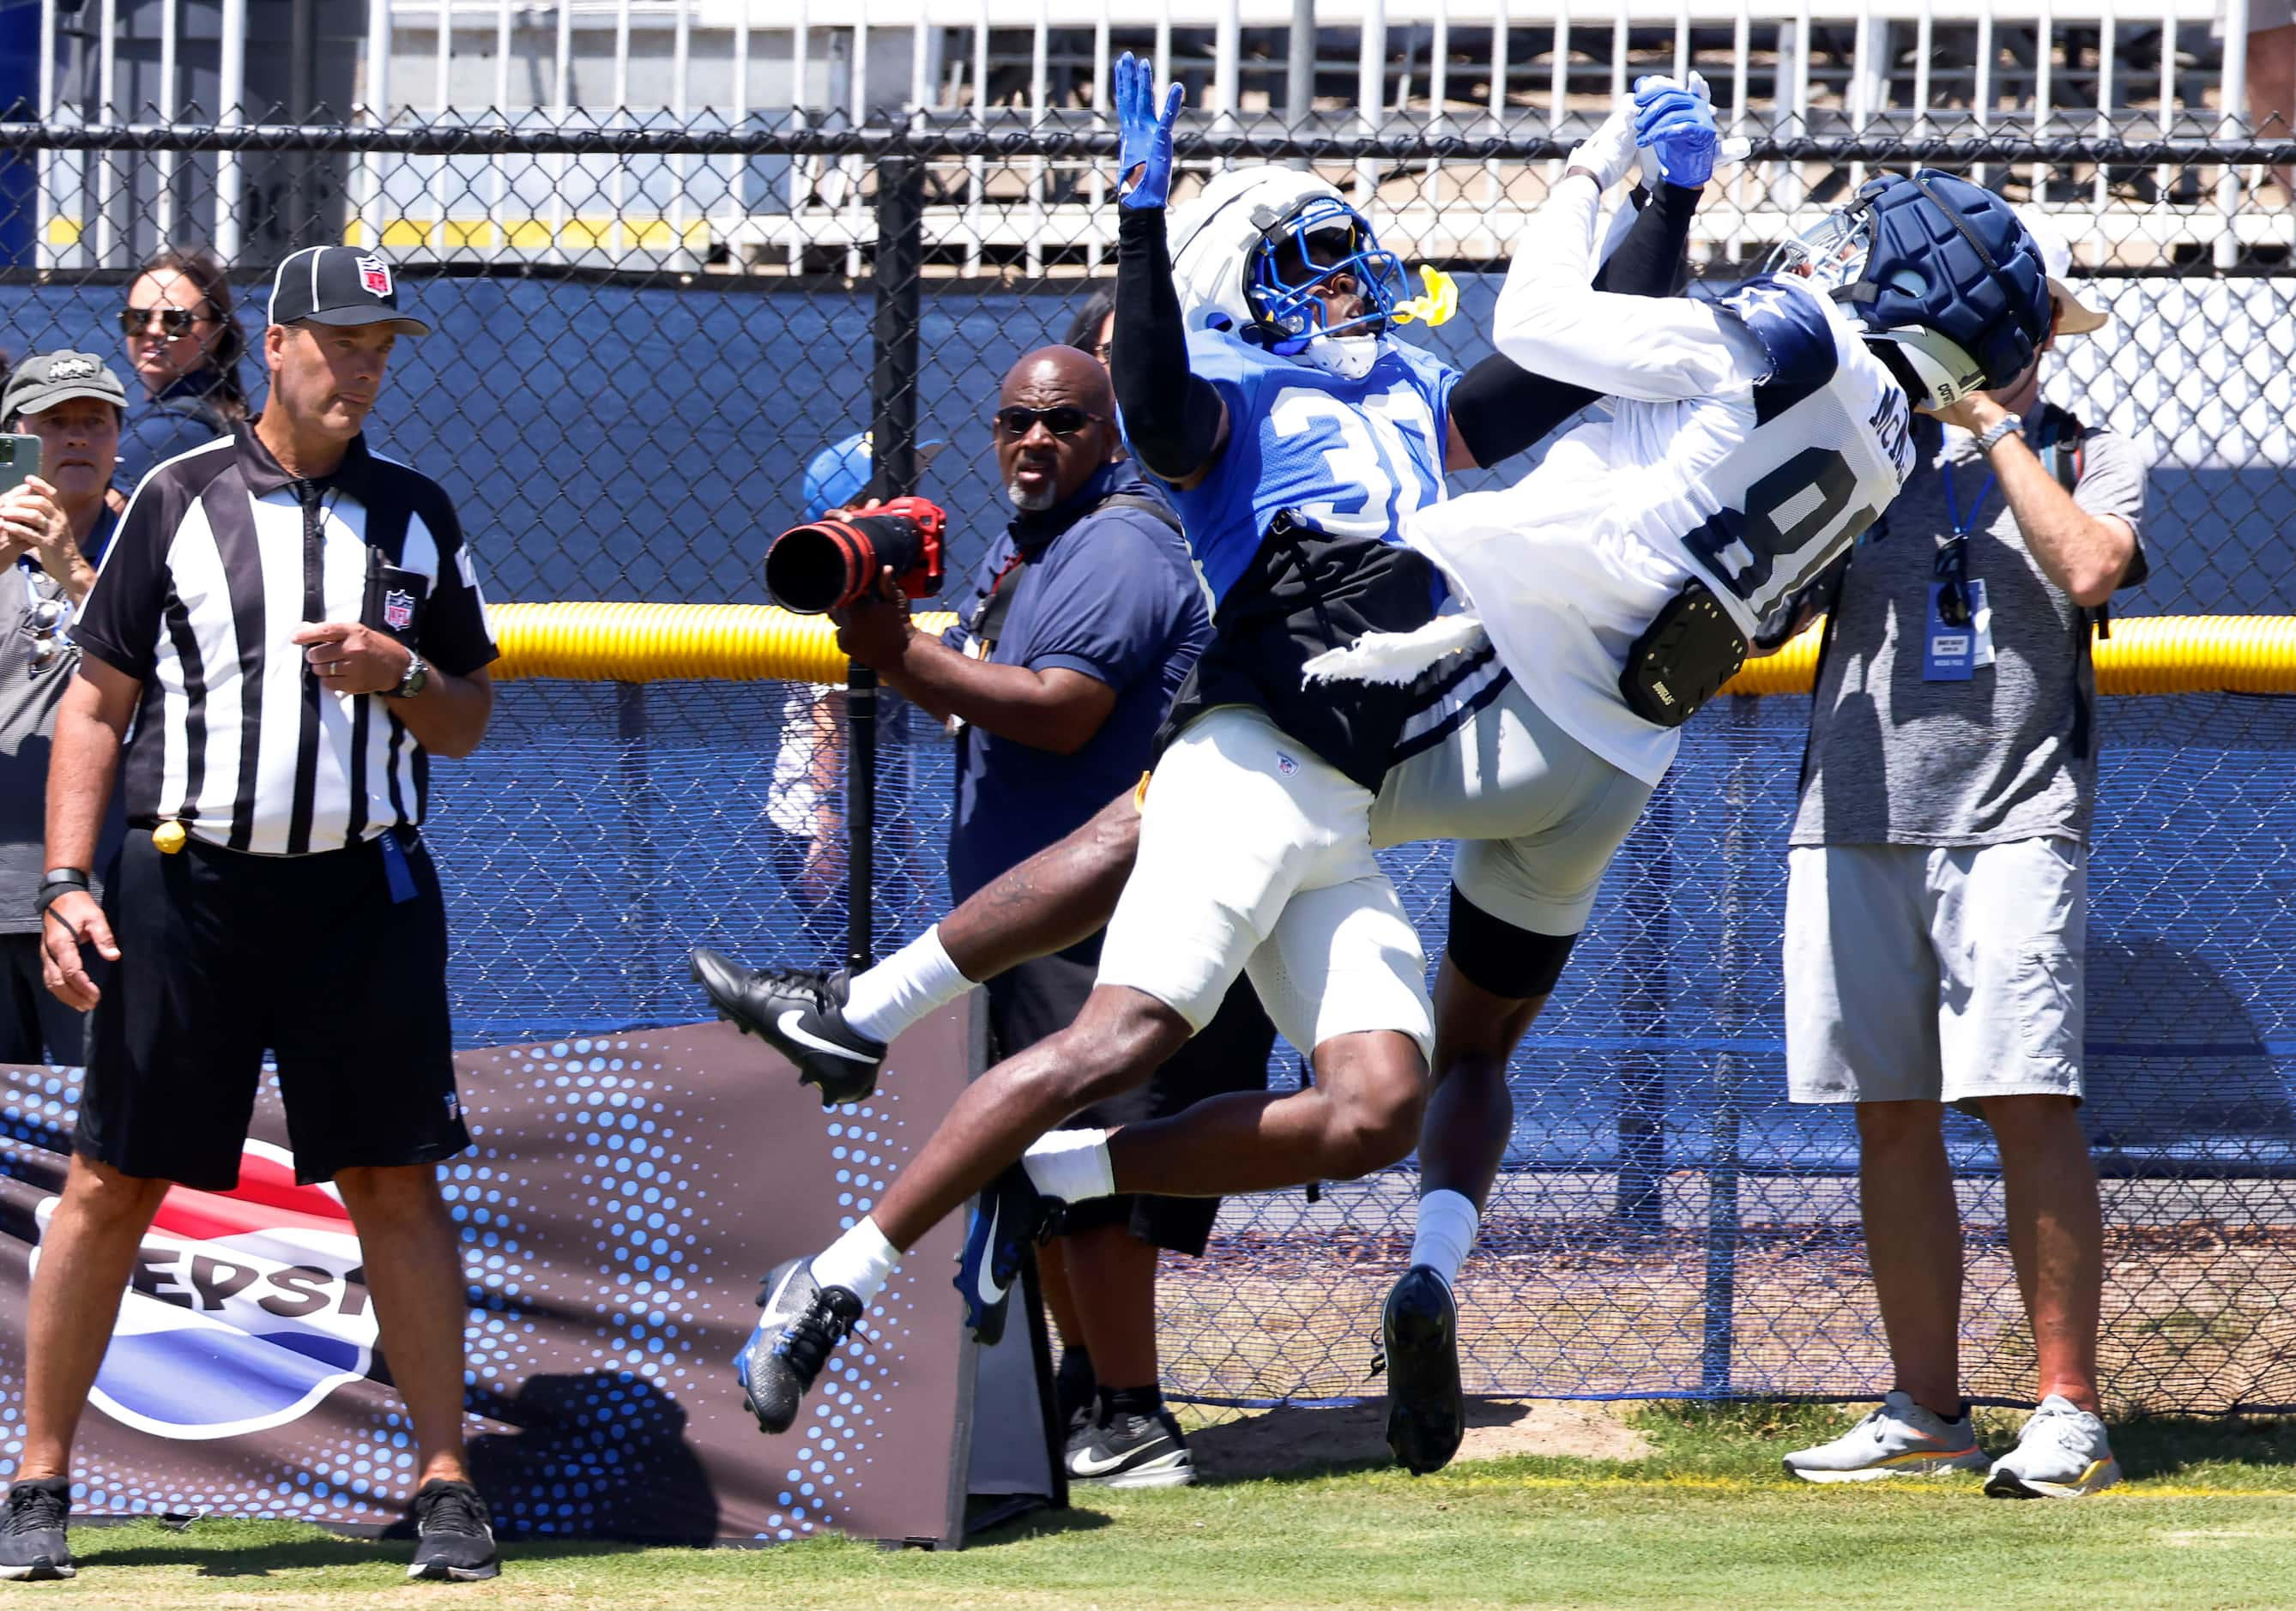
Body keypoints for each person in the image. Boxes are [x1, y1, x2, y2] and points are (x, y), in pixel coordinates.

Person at [705, 137, 2052, 1481]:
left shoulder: (1413, 388)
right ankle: (834, 1268)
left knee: (1379, 1104)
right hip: (1295, 707)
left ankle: (1023, 1155)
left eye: (1350, 260)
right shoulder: (1229, 383)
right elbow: (1162, 407)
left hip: (1377, 750)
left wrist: (1660, 203)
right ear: (1239, 287)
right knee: (1127, 1020)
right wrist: (1138, 223)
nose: (1344, 284)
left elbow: (1570, 364)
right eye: (1308, 264)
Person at [10, 248, 503, 1584]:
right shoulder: (174, 497)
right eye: (339, 340)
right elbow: (98, 704)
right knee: (114, 1176)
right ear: (274, 345)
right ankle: (40, 1479)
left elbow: (467, 718)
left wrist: (400, 670)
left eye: (381, 346)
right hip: (192, 886)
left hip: (364, 890)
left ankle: (446, 1482)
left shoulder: (414, 515)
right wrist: (65, 881)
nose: (362, 366)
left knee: (394, 1177)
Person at [708, 344, 1274, 1487]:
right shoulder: (1044, 539)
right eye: (1015, 420)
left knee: (1095, 1170)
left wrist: (899, 656)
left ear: (1111, 433)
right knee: (1050, 1165)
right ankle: (1090, 1394)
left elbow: (1065, 713)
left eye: (1062, 421)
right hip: (1036, 909)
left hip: (1107, 911)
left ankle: (1132, 1409)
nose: (1032, 441)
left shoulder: (1117, 543)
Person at [1778, 208, 2145, 1499]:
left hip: (2014, 817)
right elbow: (1772, 589)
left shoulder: (2086, 447)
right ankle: (1928, 1405)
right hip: (1857, 811)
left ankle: (2067, 1411)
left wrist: (1991, 424)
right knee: (1890, 1118)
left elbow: (2095, 566)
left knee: (2028, 1104)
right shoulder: (1866, 453)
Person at [0, 353, 127, 1067]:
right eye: (55, 423)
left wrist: (76, 576)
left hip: (104, 899)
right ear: (13, 437)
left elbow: (175, 672)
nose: (77, 437)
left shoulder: (157, 537)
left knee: (108, 1126)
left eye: (95, 422)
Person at [112, 245, 253, 493]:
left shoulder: (176, 427)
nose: (154, 331)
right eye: (139, 318)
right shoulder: (213, 412)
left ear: (216, 333)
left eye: (176, 320)